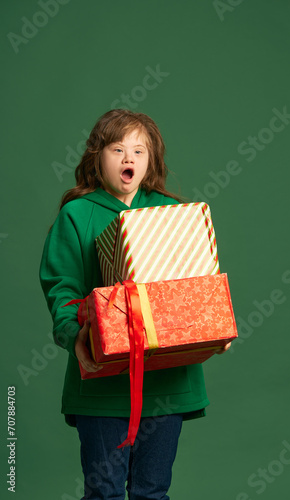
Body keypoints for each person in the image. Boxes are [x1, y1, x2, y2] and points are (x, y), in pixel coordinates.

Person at [39, 108, 231, 500]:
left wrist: (212, 326)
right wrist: (75, 334)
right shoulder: (76, 215)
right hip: (103, 381)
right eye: (117, 148)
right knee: (104, 492)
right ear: (98, 157)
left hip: (168, 381)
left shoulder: (173, 212)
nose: (129, 158)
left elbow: (196, 281)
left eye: (139, 151)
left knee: (153, 492)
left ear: (151, 160)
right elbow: (62, 289)